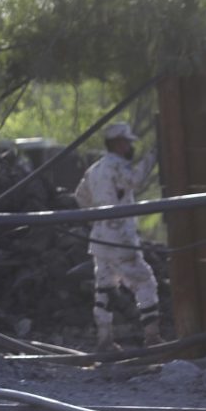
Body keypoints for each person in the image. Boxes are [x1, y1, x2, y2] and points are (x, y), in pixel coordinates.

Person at [74, 122, 161, 350]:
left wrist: (97, 217)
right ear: (118, 144)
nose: (130, 146)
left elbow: (80, 195)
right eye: (127, 142)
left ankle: (105, 340)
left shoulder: (94, 169)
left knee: (104, 287)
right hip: (120, 238)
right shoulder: (118, 166)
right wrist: (154, 155)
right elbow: (136, 180)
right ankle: (152, 337)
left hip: (99, 240)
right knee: (145, 281)